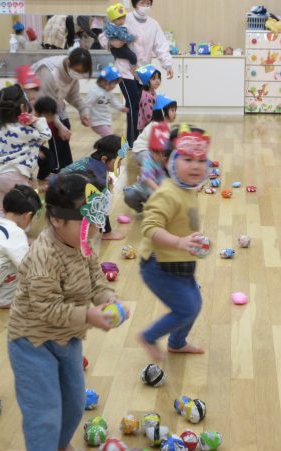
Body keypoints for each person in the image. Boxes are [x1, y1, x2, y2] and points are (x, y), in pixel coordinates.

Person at [7, 172, 127, 451]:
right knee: (44, 404)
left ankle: (61, 444)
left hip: (66, 335)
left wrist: (108, 298)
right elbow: (46, 308)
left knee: (73, 399)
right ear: (57, 220)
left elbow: (96, 278)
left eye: (97, 219)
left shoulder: (81, 242)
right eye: (87, 221)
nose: (95, 228)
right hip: (31, 340)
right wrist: (88, 315)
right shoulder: (44, 256)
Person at [137, 125, 210, 361]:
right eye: (187, 159)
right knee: (186, 308)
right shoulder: (167, 193)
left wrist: (193, 238)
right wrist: (179, 242)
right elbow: (150, 228)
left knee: (194, 305)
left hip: (180, 261)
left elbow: (184, 219)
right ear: (170, 162)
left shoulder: (187, 189)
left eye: (201, 160)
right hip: (158, 265)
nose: (195, 166)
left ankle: (177, 343)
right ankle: (149, 336)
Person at [99, 0, 173, 147]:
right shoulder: (124, 19)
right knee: (135, 104)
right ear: (134, 4)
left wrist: (167, 64)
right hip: (125, 71)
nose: (145, 6)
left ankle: (138, 138)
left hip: (143, 73)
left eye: (148, 3)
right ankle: (134, 142)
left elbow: (161, 46)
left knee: (139, 104)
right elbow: (103, 36)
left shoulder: (153, 24)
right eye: (142, 2)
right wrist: (112, 43)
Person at [0, 85, 51, 211]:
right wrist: (37, 121)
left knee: (3, 208)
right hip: (15, 176)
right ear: (23, 107)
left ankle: (0, 223)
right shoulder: (24, 130)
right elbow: (46, 135)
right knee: (22, 210)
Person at [31, 48, 93, 168]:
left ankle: (63, 166)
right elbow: (45, 107)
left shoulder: (72, 72)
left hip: (54, 105)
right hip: (37, 107)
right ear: (68, 62)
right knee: (55, 130)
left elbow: (73, 96)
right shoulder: (49, 72)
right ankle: (58, 167)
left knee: (65, 127)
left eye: (82, 72)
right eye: (77, 71)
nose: (79, 74)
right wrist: (59, 126)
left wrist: (83, 112)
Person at [60, 135, 123, 241]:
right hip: (65, 203)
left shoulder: (91, 162)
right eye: (118, 161)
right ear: (104, 159)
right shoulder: (97, 176)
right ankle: (106, 233)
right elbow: (101, 203)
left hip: (58, 194)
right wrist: (107, 231)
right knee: (102, 200)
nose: (120, 164)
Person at [124, 123, 172, 213]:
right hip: (144, 191)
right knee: (129, 197)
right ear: (150, 150)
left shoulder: (168, 161)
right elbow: (147, 178)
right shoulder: (148, 159)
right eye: (156, 152)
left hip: (161, 196)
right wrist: (159, 191)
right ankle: (142, 210)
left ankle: (157, 212)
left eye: (163, 152)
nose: (159, 156)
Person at [132, 94, 177, 169]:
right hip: (141, 151)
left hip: (152, 151)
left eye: (175, 110)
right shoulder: (155, 126)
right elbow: (159, 145)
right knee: (156, 161)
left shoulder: (165, 125)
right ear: (162, 111)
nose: (175, 113)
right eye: (172, 110)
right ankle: (146, 172)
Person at [85, 64, 128, 136]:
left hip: (106, 120)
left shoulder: (108, 92)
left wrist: (121, 107)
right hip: (97, 122)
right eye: (114, 84)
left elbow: (113, 101)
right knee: (110, 137)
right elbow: (87, 104)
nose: (115, 86)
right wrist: (85, 115)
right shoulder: (95, 91)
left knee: (106, 139)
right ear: (107, 82)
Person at [33, 96, 66, 179]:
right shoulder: (32, 124)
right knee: (44, 156)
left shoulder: (45, 123)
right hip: (25, 149)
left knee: (48, 156)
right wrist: (36, 151)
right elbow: (26, 141)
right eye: (48, 116)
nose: (50, 119)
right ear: (37, 113)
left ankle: (42, 176)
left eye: (52, 116)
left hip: (36, 147)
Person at [104, 3, 138, 70]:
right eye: (119, 19)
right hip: (119, 49)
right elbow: (123, 37)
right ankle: (133, 68)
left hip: (115, 50)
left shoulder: (110, 26)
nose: (122, 21)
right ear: (113, 19)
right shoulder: (116, 28)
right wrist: (133, 38)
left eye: (123, 18)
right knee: (133, 56)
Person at [136, 65, 162, 133]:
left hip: (150, 126)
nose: (157, 81)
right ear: (147, 81)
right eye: (154, 78)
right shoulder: (147, 97)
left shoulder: (152, 91)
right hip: (146, 128)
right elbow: (149, 116)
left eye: (158, 78)